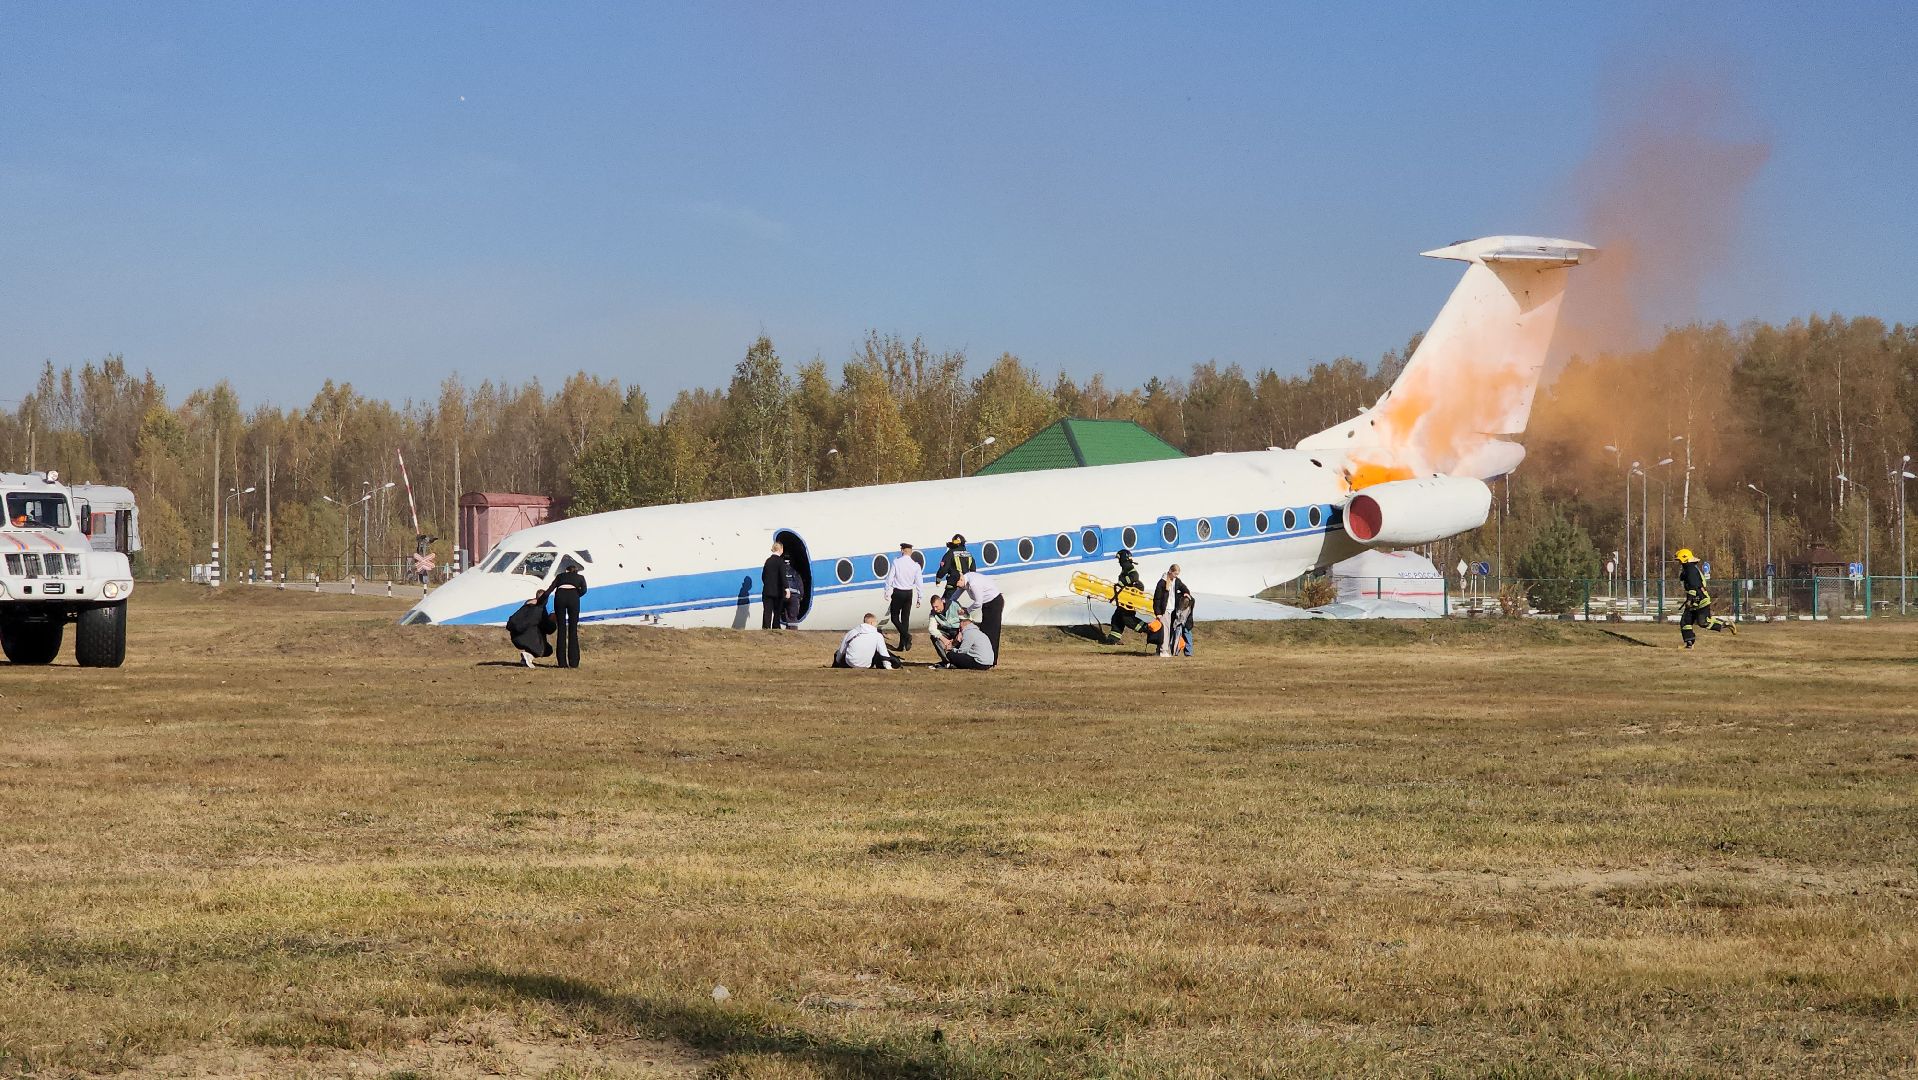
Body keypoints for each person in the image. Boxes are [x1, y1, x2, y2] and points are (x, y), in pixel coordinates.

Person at [1675, 548, 1737, 649]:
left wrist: (1690, 600)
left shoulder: (1690, 570)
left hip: (1700, 599)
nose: (1678, 562)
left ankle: (1726, 624)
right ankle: (1689, 644)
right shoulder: (1688, 569)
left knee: (1703, 622)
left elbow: (1694, 586)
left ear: (1684, 559)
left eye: (1679, 560)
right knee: (1685, 622)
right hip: (1695, 600)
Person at [953, 571, 1004, 662]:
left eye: (957, 583)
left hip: (994, 603)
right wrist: (946, 603)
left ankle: (991, 660)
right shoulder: (964, 581)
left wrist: (967, 611)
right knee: (984, 631)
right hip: (986, 604)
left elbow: (978, 603)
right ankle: (983, 657)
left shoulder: (973, 584)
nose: (957, 586)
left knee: (991, 632)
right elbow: (955, 596)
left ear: (960, 579)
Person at [549, 557, 588, 668]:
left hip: (560, 597)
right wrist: (575, 595)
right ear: (576, 571)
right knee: (573, 629)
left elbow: (550, 589)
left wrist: (541, 600)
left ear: (566, 571)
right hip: (573, 599)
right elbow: (584, 590)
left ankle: (562, 662)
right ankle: (574, 662)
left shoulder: (560, 576)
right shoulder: (580, 577)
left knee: (561, 629)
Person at [883, 542, 922, 650]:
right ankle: (902, 645)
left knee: (894, 617)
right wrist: (920, 597)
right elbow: (919, 582)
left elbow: (890, 578)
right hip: (909, 593)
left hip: (898, 592)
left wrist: (887, 591)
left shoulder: (896, 562)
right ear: (911, 552)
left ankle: (906, 636)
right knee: (905, 619)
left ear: (902, 551)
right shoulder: (915, 565)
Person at [505, 588, 555, 667]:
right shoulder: (539, 610)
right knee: (547, 649)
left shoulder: (525, 607)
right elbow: (548, 629)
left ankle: (525, 660)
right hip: (527, 638)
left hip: (515, 637)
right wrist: (553, 621)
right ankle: (528, 656)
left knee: (534, 634)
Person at [833, 613, 902, 669]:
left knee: (838, 652)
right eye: (876, 622)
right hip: (867, 665)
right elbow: (883, 652)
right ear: (871, 623)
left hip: (849, 664)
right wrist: (888, 666)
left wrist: (837, 662)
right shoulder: (877, 635)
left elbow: (842, 650)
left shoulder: (852, 632)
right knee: (877, 651)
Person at [1151, 564, 1193, 656]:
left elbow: (1184, 587)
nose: (1176, 576)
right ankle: (1163, 651)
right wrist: (1158, 613)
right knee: (1165, 631)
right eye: (1175, 574)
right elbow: (1157, 599)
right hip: (1164, 610)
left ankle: (1161, 651)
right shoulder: (1162, 582)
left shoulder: (1176, 581)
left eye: (1177, 574)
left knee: (1167, 630)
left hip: (1171, 610)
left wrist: (1186, 593)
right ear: (1170, 571)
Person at [1108, 548, 1148, 641]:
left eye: (1119, 559)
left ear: (1122, 558)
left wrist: (1122, 582)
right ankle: (1113, 638)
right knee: (1117, 618)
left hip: (1129, 599)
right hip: (1125, 598)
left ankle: (1148, 628)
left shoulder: (1127, 566)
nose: (1118, 561)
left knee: (1127, 619)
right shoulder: (1126, 567)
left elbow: (1135, 576)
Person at [935, 534, 975, 602]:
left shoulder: (950, 553)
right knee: (953, 602)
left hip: (953, 584)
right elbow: (973, 571)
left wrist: (938, 580)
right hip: (966, 584)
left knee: (945, 603)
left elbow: (944, 569)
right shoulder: (969, 554)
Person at [926, 593, 964, 662]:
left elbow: (964, 619)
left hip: (957, 630)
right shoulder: (933, 614)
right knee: (933, 636)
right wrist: (944, 640)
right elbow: (931, 629)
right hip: (945, 631)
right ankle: (946, 661)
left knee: (966, 635)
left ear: (941, 602)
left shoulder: (954, 605)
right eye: (933, 607)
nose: (935, 609)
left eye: (936, 606)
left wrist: (961, 632)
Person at [761, 541, 790, 630]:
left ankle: (766, 627)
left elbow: (763, 576)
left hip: (767, 590)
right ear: (780, 549)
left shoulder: (768, 561)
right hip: (777, 591)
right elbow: (783, 576)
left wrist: (767, 584)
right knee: (777, 610)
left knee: (767, 611)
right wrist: (787, 589)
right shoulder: (780, 562)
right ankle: (776, 626)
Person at [782, 555, 805, 627]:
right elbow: (800, 584)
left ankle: (788, 631)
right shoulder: (795, 572)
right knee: (793, 616)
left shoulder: (780, 572)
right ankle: (793, 631)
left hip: (784, 595)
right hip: (794, 596)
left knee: (786, 613)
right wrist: (801, 595)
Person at [1176, 592, 1196, 656]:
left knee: (1187, 636)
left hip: (1187, 623)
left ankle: (1188, 652)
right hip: (1182, 622)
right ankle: (1178, 651)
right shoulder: (1180, 599)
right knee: (1180, 637)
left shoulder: (1191, 601)